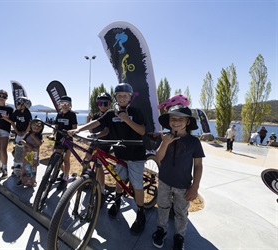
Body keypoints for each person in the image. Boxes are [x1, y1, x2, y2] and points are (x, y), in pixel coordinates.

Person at [68, 83, 147, 235]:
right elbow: (97, 122)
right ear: (116, 97)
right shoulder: (112, 113)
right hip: (120, 154)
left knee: (137, 185)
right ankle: (117, 202)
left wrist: (126, 119)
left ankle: (140, 214)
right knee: (119, 180)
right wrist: (78, 129)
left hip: (136, 155)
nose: (122, 98)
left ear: (130, 97)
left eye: (125, 96)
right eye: (119, 96)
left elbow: (142, 130)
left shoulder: (136, 112)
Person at [151, 105, 205, 250]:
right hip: (164, 181)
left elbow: (198, 165)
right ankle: (161, 230)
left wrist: (195, 186)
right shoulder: (164, 137)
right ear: (168, 121)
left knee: (181, 212)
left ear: (188, 122)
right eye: (173, 118)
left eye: (181, 119)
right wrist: (165, 143)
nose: (176, 122)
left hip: (183, 185)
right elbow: (158, 157)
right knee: (162, 207)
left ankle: (179, 236)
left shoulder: (194, 142)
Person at [86, 92, 112, 199]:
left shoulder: (110, 115)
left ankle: (101, 189)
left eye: (105, 103)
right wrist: (88, 121)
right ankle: (89, 180)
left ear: (109, 104)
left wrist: (95, 135)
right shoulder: (96, 115)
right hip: (95, 142)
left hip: (104, 143)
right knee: (85, 161)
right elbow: (91, 129)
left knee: (98, 166)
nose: (102, 105)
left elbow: (106, 131)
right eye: (100, 103)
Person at [52, 95, 78, 191]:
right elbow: (56, 127)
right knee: (57, 159)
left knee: (66, 159)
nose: (65, 105)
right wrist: (52, 135)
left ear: (70, 105)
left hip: (68, 140)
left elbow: (74, 128)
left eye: (67, 104)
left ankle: (66, 178)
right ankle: (64, 174)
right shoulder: (59, 114)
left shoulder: (72, 115)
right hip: (59, 139)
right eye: (62, 103)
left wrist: (68, 135)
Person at [2, 96, 33, 174]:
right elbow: (12, 122)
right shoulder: (16, 112)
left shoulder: (27, 112)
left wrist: (25, 132)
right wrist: (17, 131)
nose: (17, 104)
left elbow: (30, 124)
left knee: (26, 150)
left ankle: (27, 167)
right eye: (17, 103)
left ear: (24, 105)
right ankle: (17, 166)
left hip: (26, 133)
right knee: (17, 150)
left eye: (19, 103)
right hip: (19, 133)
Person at [18, 118, 44, 186]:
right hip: (27, 152)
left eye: (38, 128)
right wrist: (27, 145)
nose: (36, 129)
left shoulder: (39, 135)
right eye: (34, 127)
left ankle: (32, 180)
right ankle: (23, 179)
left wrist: (33, 136)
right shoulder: (27, 134)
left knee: (33, 166)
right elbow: (23, 141)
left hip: (34, 153)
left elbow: (39, 143)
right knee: (25, 165)